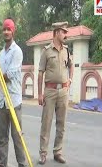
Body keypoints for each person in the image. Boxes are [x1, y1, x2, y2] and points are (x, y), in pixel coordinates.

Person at [0, 18, 26, 167]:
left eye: (9, 29)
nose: (6, 32)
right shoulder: (0, 54)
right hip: (2, 102)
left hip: (14, 101)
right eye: (4, 29)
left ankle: (22, 164)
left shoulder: (17, 51)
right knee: (3, 138)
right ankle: (3, 165)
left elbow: (8, 76)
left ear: (13, 31)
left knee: (17, 138)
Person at [38, 21, 74, 165]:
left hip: (63, 91)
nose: (65, 34)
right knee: (46, 123)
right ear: (56, 33)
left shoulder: (66, 50)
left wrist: (70, 79)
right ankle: (43, 153)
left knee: (61, 123)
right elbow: (40, 73)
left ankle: (58, 152)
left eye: (65, 32)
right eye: (63, 32)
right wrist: (40, 94)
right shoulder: (46, 51)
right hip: (50, 91)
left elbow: (71, 66)